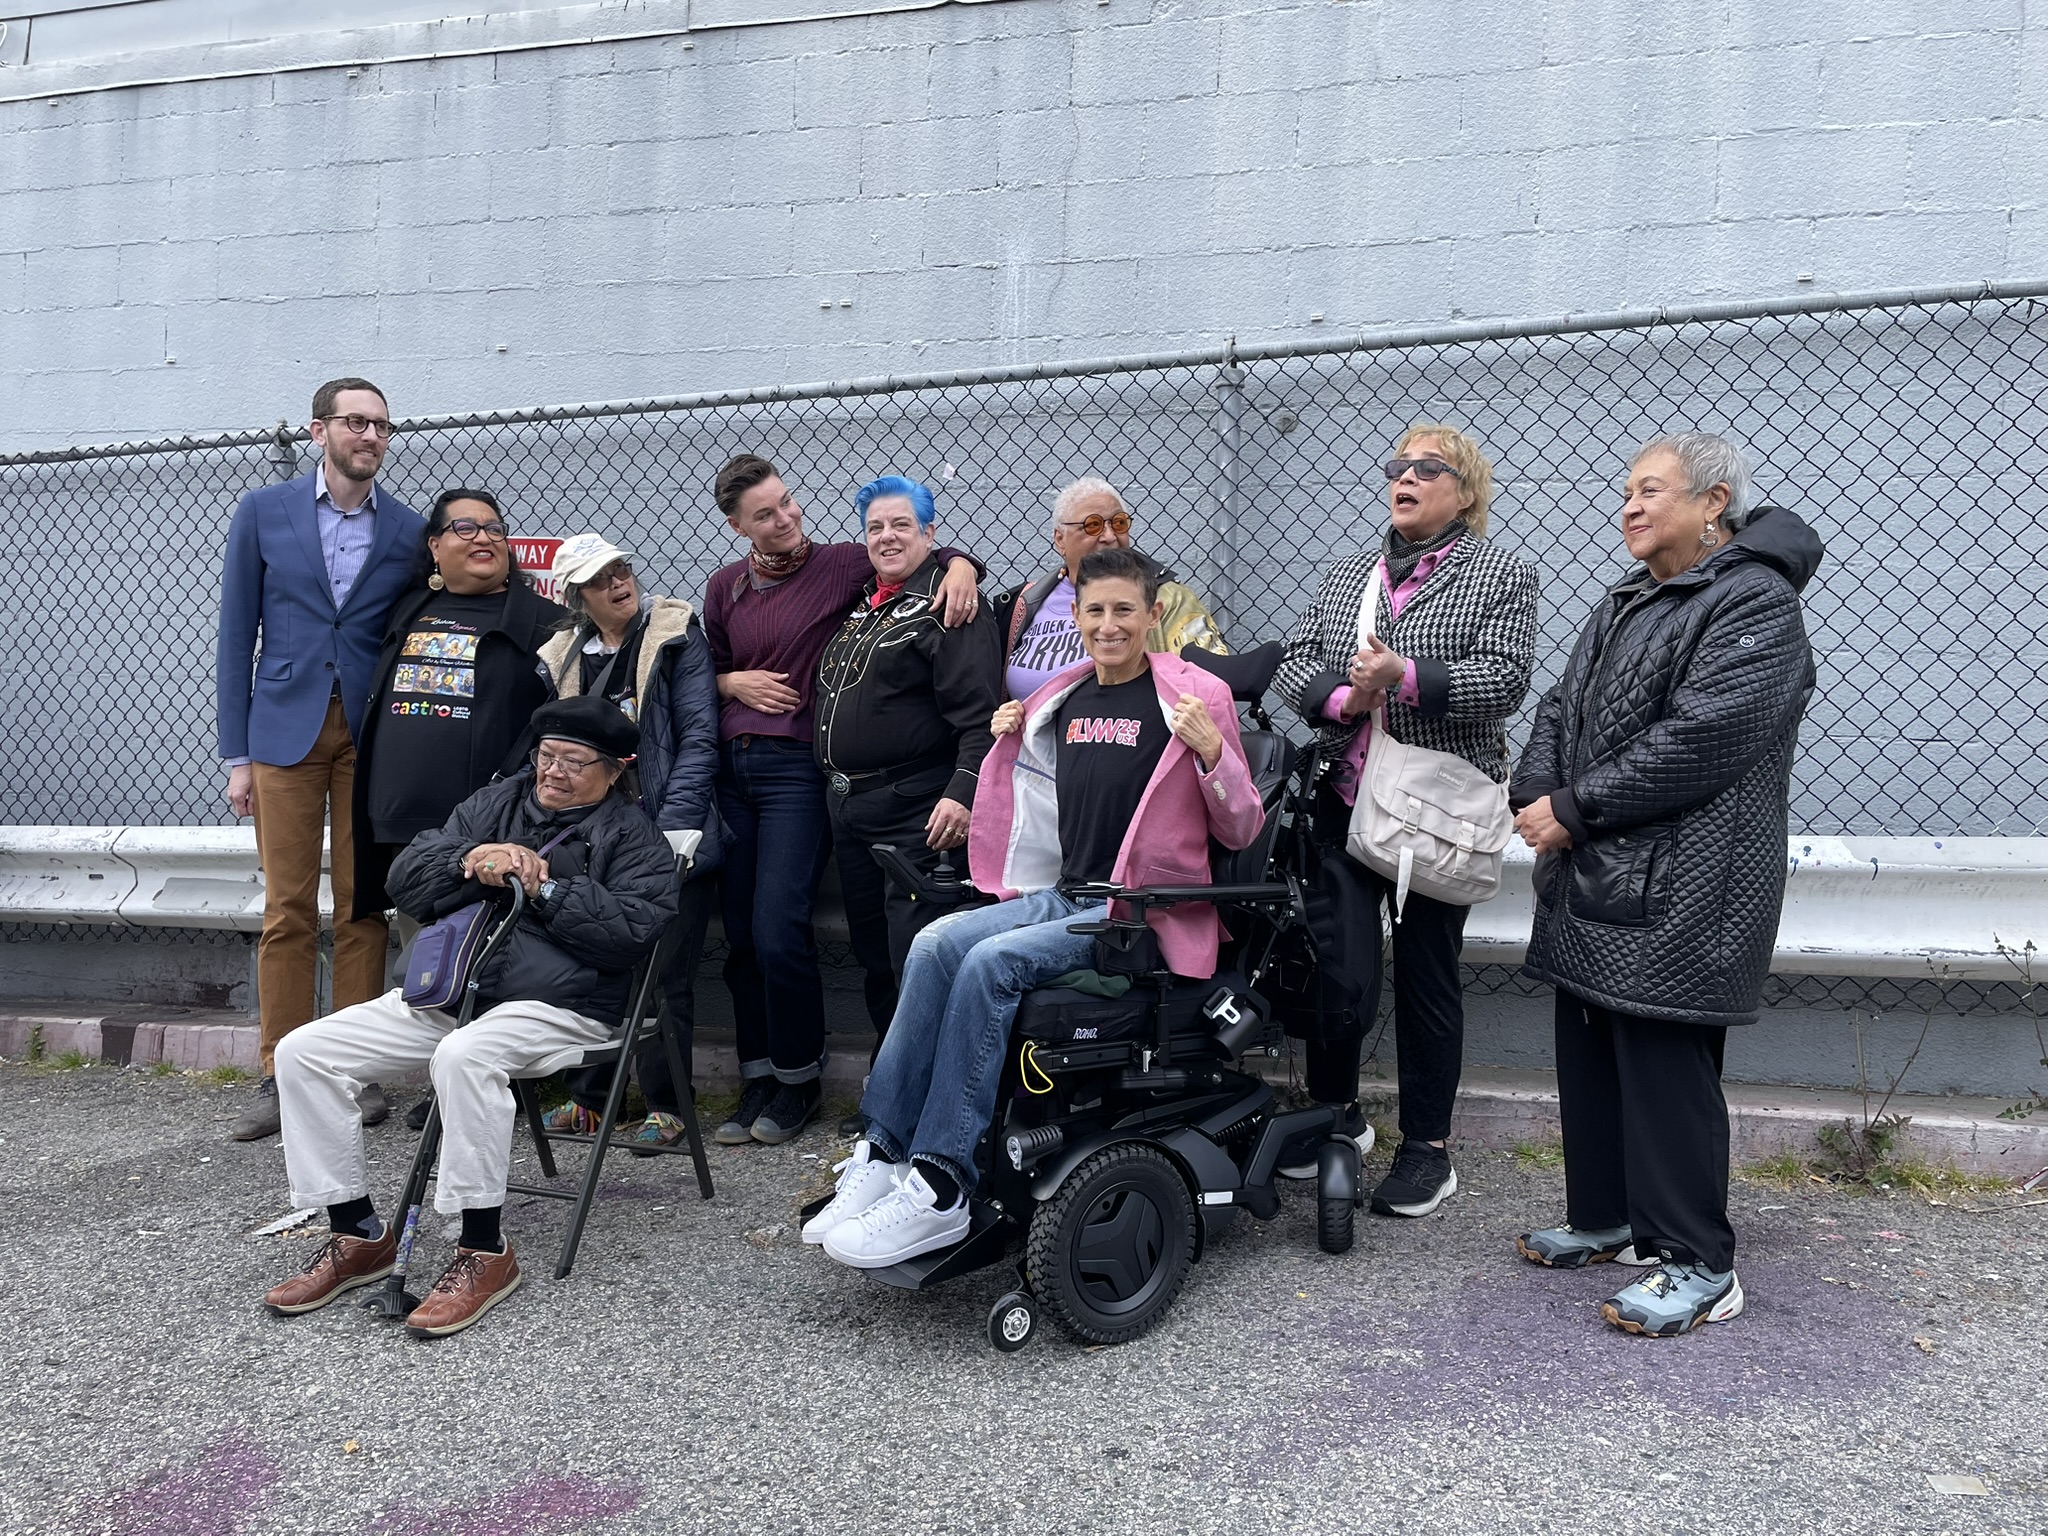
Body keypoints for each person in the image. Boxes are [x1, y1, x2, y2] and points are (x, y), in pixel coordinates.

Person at [804, 548, 1265, 1268]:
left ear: (1151, 615)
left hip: (1135, 915)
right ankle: (884, 1153)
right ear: (1076, 617)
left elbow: (1241, 827)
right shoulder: (1063, 698)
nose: (1108, 624)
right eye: (1095, 610)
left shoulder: (1192, 699)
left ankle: (942, 1183)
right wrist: (1007, 735)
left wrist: (1213, 755)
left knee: (991, 963)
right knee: (933, 944)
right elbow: (1022, 798)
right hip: (1060, 894)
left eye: (1123, 610)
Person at [1510, 433, 1822, 1337]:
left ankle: (1698, 1261)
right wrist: (1537, 791)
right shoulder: (1629, 597)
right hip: (1600, 867)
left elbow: (1704, 738)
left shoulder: (1753, 605)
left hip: (1690, 883)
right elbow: (1562, 705)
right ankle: (1608, 1217)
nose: (1630, 507)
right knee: (1592, 1043)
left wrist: (1576, 805)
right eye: (1627, 492)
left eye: (1651, 491)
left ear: (1713, 502)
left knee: (1659, 1060)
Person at [261, 696, 678, 1338]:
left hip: (567, 1007)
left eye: (574, 761)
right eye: (546, 756)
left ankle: (484, 1250)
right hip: (458, 990)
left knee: (465, 1056)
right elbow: (406, 880)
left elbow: (631, 935)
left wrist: (547, 889)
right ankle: (357, 1233)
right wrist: (474, 859)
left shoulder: (635, 836)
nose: (553, 772)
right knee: (304, 1050)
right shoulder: (497, 801)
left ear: (616, 769)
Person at [1275, 424, 1538, 1215]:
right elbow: (1295, 662)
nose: (1408, 477)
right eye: (1399, 466)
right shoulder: (1347, 574)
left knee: (1426, 973)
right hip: (1346, 796)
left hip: (1438, 807)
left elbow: (1505, 680)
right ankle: (1339, 1118)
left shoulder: (1500, 572)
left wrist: (1407, 676)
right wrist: (1342, 698)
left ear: (1466, 490)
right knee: (1336, 962)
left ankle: (1428, 1148)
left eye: (1430, 468)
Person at [700, 454, 981, 1148]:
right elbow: (699, 670)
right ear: (738, 527)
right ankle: (759, 1076)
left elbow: (919, 550)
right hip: (743, 774)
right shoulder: (725, 589)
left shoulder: (843, 567)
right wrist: (732, 683)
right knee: (744, 934)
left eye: (788, 501)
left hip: (809, 775)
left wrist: (963, 564)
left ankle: (802, 1080)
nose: (786, 517)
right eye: (765, 514)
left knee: (779, 928)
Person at [216, 378, 424, 1142]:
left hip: (371, 736)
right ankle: (281, 1074)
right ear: (319, 431)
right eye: (355, 422)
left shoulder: (407, 529)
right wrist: (236, 754)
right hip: (281, 732)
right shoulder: (263, 513)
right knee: (288, 909)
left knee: (364, 906)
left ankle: (355, 1072)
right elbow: (237, 632)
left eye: (381, 426)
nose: (369, 435)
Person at [539, 532, 724, 1152]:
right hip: (598, 836)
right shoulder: (566, 657)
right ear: (577, 596)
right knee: (597, 959)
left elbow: (699, 737)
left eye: (621, 570)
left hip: (670, 829)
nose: (619, 583)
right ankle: (593, 1100)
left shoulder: (674, 634)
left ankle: (670, 1106)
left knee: (666, 969)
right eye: (600, 580)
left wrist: (676, 831)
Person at [814, 476, 1004, 1075]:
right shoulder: (862, 601)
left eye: (902, 525)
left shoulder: (951, 606)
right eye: (875, 527)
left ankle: (919, 1090)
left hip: (916, 810)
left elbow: (981, 717)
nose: (887, 537)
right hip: (850, 808)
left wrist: (964, 789)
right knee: (873, 952)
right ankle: (886, 1079)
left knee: (913, 955)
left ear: (929, 532)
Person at [995, 476, 1227, 701]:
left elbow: (1210, 688)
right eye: (1092, 525)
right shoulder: (1024, 604)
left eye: (1119, 523)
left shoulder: (1169, 599)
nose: (1109, 536)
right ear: (1060, 539)